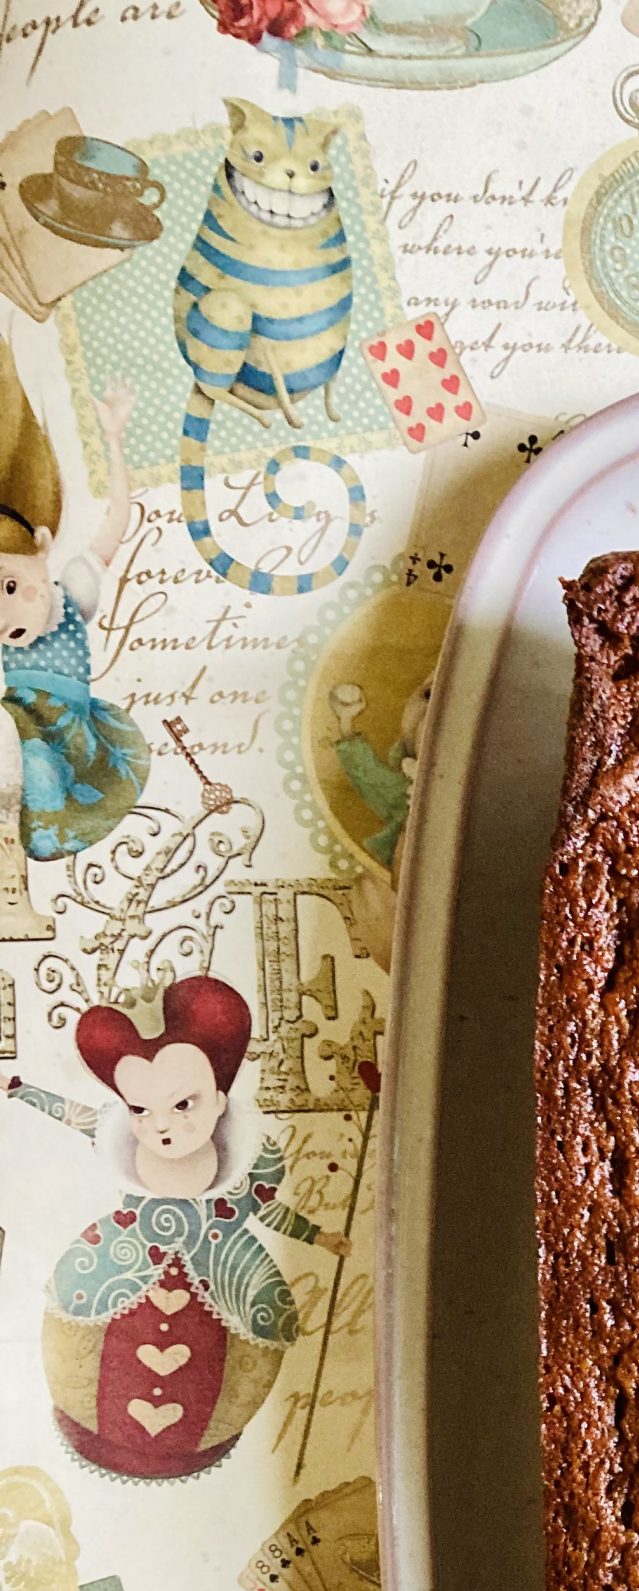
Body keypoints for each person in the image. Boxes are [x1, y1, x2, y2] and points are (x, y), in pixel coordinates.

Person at [4, 976, 346, 1478]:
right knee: (80, 1313)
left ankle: (202, 1440)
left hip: (226, 1268)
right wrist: (18, 1088)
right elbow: (72, 1114)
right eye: (141, 1110)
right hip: (122, 1257)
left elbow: (268, 1211)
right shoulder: (121, 1140)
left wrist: (321, 1238)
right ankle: (99, 1430)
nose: (161, 1125)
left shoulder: (248, 1164)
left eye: (182, 1104)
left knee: (247, 1340)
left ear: (219, 1100)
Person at [2, 374, 149, 866]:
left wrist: (113, 438)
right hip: (22, 734)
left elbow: (117, 521)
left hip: (75, 733)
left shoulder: (74, 594)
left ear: (41, 546)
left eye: (9, 586)